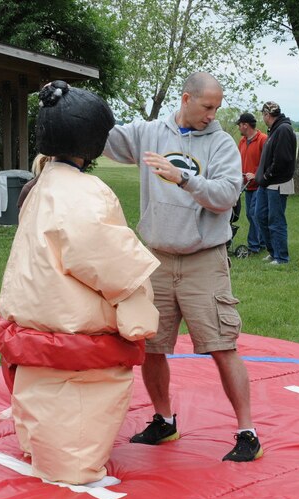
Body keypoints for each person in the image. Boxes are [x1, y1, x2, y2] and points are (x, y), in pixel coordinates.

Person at [0, 80, 161, 486]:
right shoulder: (84, 192)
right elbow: (104, 256)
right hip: (70, 325)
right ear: (94, 142)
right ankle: (69, 465)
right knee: (79, 403)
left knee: (39, 395)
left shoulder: (41, 183)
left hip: (34, 315)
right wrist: (137, 298)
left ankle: (37, 446)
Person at [103, 71, 263, 462]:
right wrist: (68, 101)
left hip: (203, 259)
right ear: (186, 98)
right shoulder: (149, 133)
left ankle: (247, 432)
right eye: (207, 107)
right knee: (152, 346)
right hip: (155, 258)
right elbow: (103, 137)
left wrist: (184, 179)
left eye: (217, 108)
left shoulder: (223, 144)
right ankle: (163, 420)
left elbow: (225, 194)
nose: (212, 114)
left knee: (222, 345)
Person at [254, 101, 296, 265]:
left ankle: (281, 257)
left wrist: (266, 176)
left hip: (277, 183)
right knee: (260, 216)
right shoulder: (274, 130)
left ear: (267, 115)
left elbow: (282, 159)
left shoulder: (284, 130)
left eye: (263, 115)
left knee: (275, 220)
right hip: (267, 183)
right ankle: (273, 252)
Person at [236, 112, 267, 254]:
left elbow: (268, 163)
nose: (238, 128)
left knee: (255, 214)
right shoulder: (242, 142)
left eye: (239, 125)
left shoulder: (263, 140)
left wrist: (256, 175)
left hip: (260, 184)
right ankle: (263, 243)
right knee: (250, 214)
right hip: (247, 185)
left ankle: (254, 246)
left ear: (245, 125)